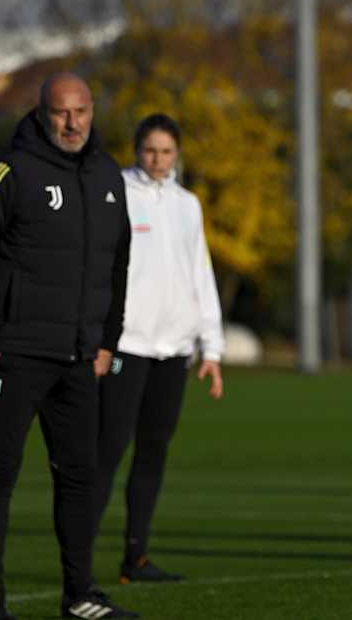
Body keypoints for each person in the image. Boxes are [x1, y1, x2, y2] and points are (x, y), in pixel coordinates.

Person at [0, 73, 137, 620]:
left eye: (81, 111)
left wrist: (107, 342)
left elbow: (117, 266)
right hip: (13, 351)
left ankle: (79, 596)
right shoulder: (12, 171)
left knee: (81, 478)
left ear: (93, 109)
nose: (72, 122)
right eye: (60, 113)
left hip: (79, 360)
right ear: (42, 113)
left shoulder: (107, 176)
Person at [93, 114, 225, 584]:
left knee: (153, 452)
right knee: (107, 451)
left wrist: (211, 349)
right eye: (150, 150)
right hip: (126, 344)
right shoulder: (116, 194)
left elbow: (200, 272)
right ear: (136, 149)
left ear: (177, 154)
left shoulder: (188, 204)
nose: (158, 159)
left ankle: (136, 558)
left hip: (174, 349)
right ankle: (79, 561)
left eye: (166, 152)